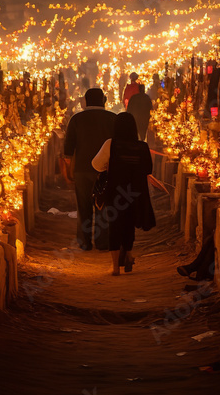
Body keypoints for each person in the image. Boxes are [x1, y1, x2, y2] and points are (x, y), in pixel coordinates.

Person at [92, 112, 155, 275]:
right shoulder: (142, 146)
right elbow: (148, 169)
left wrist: (109, 165)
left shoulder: (110, 144)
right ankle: (128, 253)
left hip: (115, 192)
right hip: (135, 192)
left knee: (114, 225)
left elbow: (96, 165)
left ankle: (114, 267)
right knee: (129, 225)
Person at [63, 88, 116, 251]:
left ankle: (85, 242)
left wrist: (68, 172)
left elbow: (68, 151)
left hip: (82, 170)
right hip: (106, 170)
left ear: (86, 101)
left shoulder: (77, 119)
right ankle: (103, 242)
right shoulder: (113, 119)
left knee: (84, 206)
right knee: (104, 205)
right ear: (104, 101)